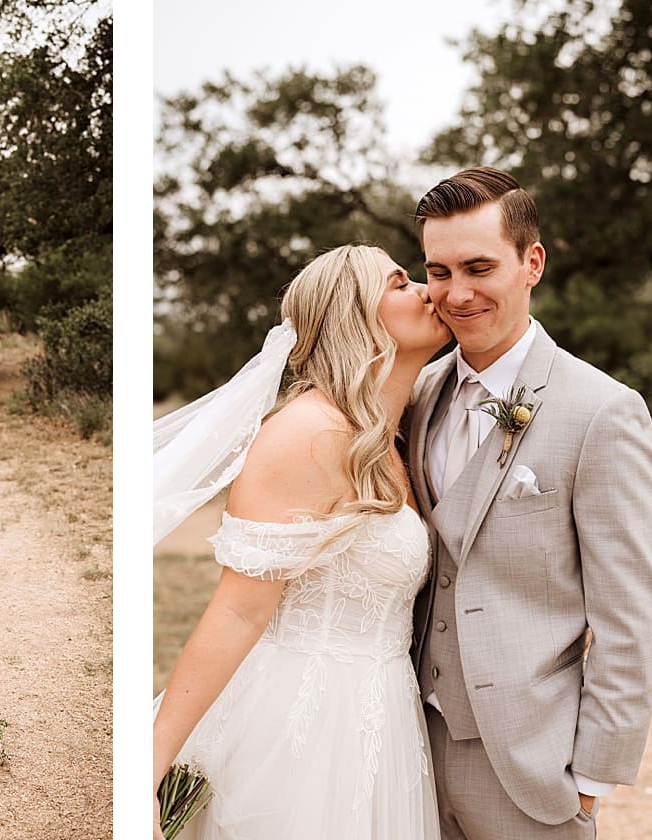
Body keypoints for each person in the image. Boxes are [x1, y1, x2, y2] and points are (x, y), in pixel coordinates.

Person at [151, 244, 452, 839]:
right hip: (300, 729)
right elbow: (239, 610)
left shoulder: (393, 436)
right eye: (399, 284)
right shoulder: (310, 432)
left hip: (382, 721)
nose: (426, 290)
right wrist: (149, 763)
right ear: (354, 318)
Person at [406, 167, 652, 839]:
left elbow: (631, 612)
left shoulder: (603, 411)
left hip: (532, 764)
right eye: (438, 272)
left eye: (479, 267)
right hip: (408, 748)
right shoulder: (415, 394)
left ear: (533, 263)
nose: (457, 294)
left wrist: (591, 778)